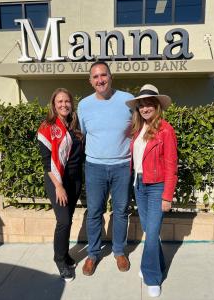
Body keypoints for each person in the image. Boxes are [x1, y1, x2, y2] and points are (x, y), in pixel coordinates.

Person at [77, 61, 133, 276]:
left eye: (104, 75)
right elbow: (82, 135)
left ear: (111, 76)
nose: (100, 80)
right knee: (94, 212)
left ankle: (119, 251)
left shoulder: (128, 100)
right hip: (95, 167)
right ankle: (92, 254)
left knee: (120, 211)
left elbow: (138, 127)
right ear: (90, 81)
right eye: (95, 77)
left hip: (122, 166)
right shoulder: (84, 105)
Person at [126, 84, 178, 298]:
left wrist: (167, 195)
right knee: (150, 230)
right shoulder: (138, 131)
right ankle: (159, 264)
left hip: (156, 187)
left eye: (149, 104)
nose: (145, 108)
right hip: (140, 185)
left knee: (151, 233)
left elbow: (171, 165)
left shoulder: (166, 129)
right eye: (141, 105)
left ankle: (152, 276)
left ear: (157, 106)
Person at [37, 88, 83, 282]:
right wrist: (59, 186)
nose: (64, 104)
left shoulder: (74, 125)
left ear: (71, 103)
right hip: (58, 181)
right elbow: (47, 162)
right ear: (54, 105)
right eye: (59, 102)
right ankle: (59, 260)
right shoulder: (47, 127)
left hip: (75, 179)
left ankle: (64, 254)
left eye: (67, 101)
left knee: (69, 219)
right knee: (63, 221)